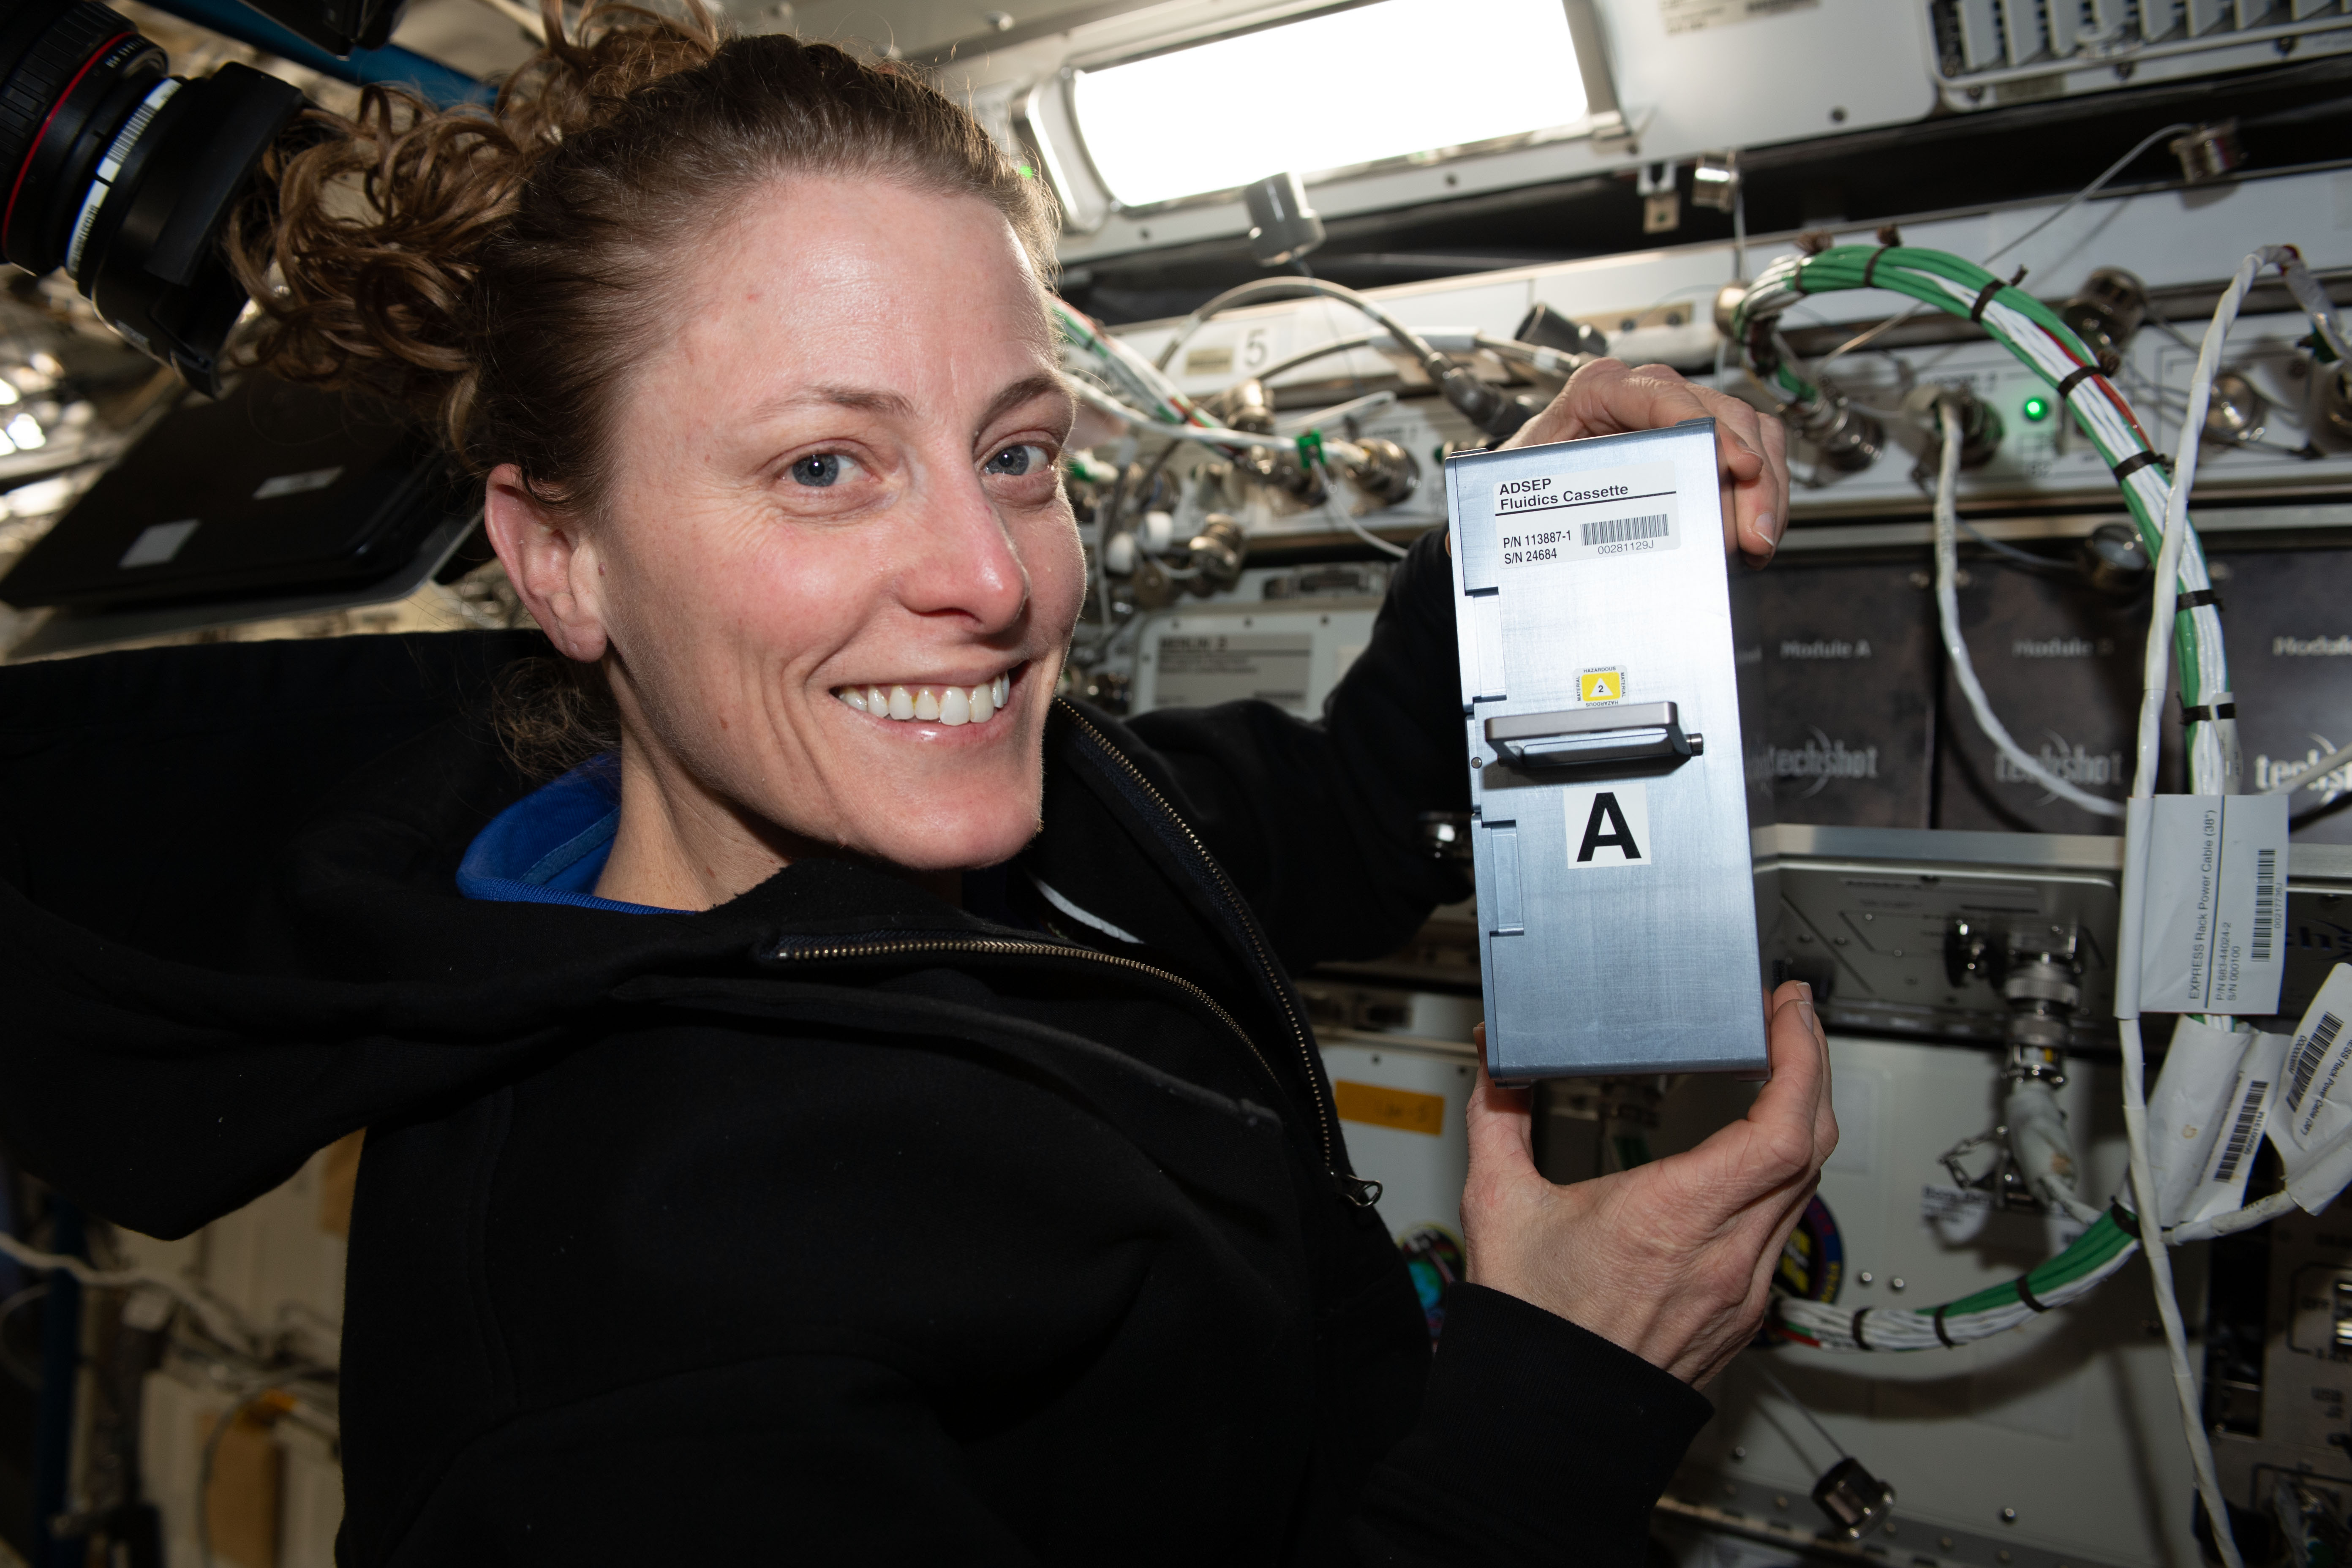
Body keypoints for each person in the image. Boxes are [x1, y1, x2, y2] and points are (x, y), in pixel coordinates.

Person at [0, 5, 1826, 1562]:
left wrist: (1520, 540)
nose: (993, 576)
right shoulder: (615, 1362)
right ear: (559, 559)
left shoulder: (996, 810)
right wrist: (1567, 1388)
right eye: (825, 468)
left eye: (1016, 453)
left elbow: (1335, 820)